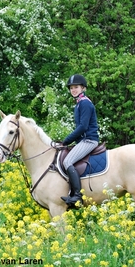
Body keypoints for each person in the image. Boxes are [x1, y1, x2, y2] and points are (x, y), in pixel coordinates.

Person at [52, 74, 99, 208]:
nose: (73, 90)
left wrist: (66, 141)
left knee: (67, 161)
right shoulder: (79, 104)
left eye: (76, 87)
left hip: (89, 140)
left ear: (83, 88)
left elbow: (83, 127)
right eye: (71, 88)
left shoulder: (84, 103)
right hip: (84, 140)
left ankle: (77, 196)